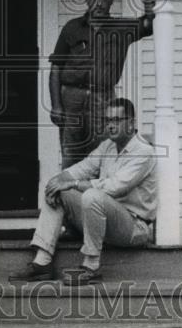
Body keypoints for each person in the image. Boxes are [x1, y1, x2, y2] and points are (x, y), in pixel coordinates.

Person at [11, 98, 156, 284]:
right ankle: (42, 263)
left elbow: (115, 187)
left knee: (92, 195)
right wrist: (59, 180)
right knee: (57, 189)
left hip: (133, 227)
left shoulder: (144, 151)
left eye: (117, 120)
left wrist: (73, 183)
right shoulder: (108, 146)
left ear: (132, 123)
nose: (111, 126)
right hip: (104, 222)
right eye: (108, 120)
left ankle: (91, 266)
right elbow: (84, 167)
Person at [49, 0, 154, 169]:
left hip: (102, 99)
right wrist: (56, 105)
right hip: (71, 98)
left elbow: (149, 26)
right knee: (71, 152)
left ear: (111, 0)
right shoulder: (71, 27)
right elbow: (56, 67)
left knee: (102, 152)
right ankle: (67, 197)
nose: (99, 3)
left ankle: (93, 197)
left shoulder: (122, 29)